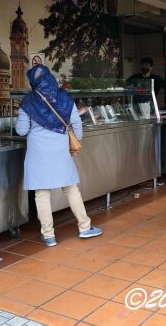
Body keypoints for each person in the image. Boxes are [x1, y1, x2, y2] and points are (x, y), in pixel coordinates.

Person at [15, 65, 103, 247]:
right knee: (71, 188)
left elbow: (22, 131)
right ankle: (85, 227)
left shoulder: (28, 101)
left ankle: (49, 236)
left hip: (38, 151)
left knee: (41, 193)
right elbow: (76, 122)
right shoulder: (63, 96)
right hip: (60, 148)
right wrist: (76, 143)